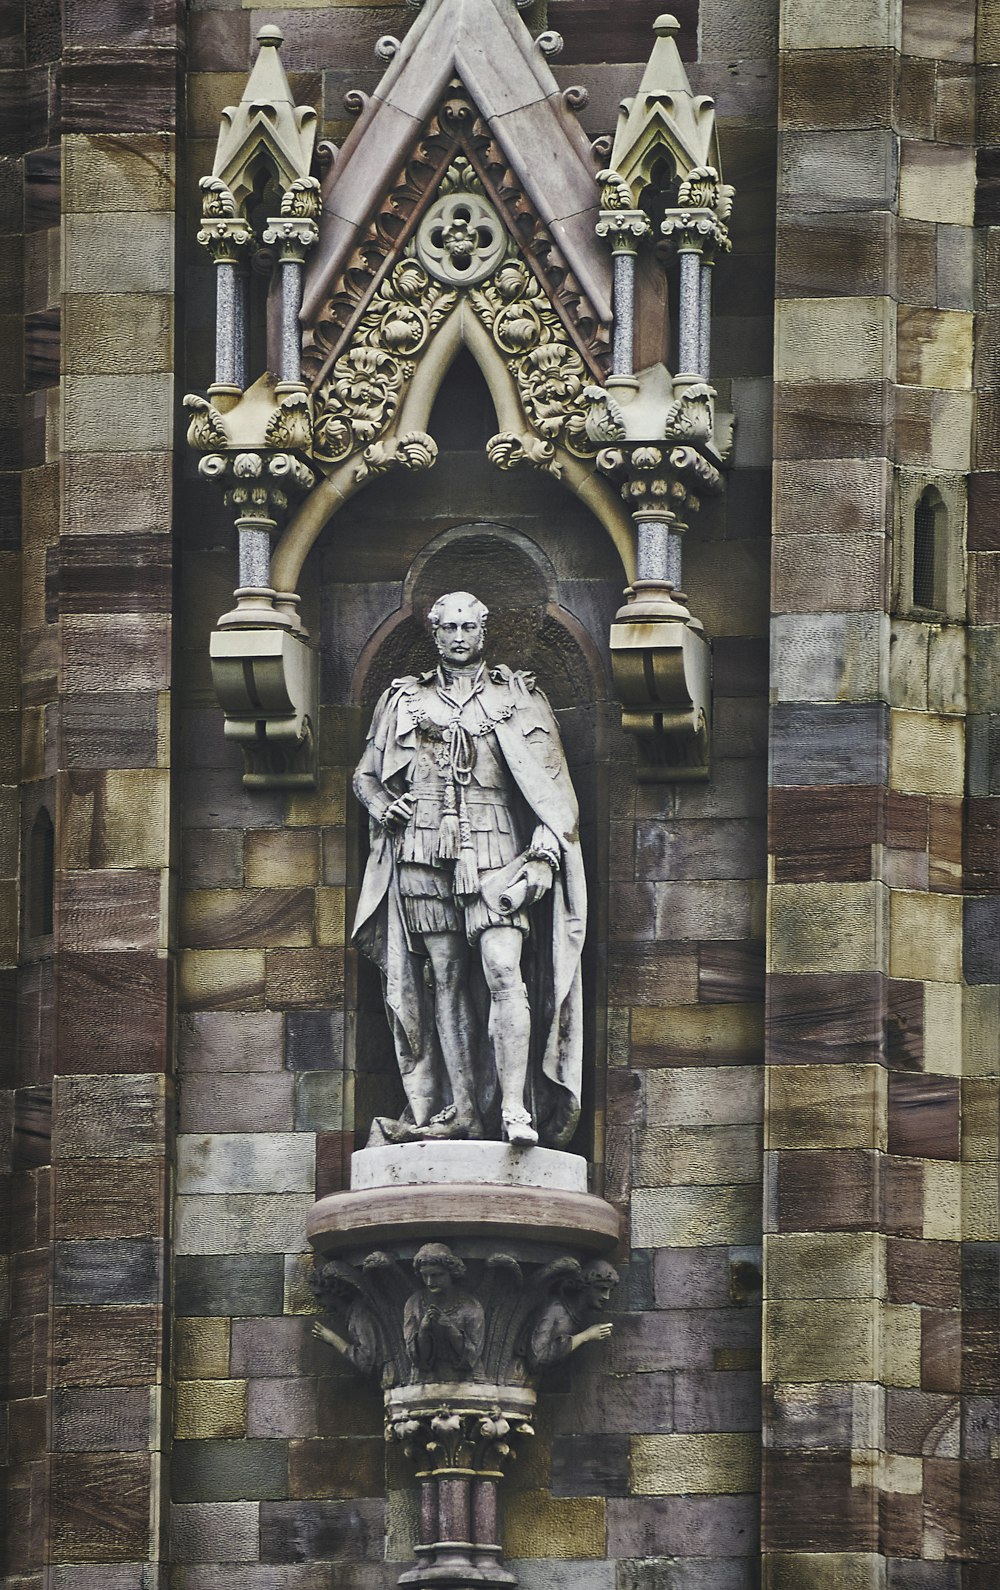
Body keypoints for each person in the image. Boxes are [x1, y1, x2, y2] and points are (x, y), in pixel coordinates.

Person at [353, 591, 586, 1148]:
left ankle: (513, 1108)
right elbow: (365, 775)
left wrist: (548, 845)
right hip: (421, 849)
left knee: (504, 969)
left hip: (496, 844)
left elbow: (553, 789)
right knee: (446, 982)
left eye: (467, 627)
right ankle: (462, 1113)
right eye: (448, 628)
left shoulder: (519, 696)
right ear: (434, 634)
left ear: (483, 632)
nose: (458, 637)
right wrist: (383, 806)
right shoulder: (403, 699)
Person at [403, 1243, 485, 1382]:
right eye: (425, 1276)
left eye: (437, 1275)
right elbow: (416, 1357)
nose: (430, 1282)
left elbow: (472, 1356)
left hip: (466, 1382)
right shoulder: (414, 1303)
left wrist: (449, 1328)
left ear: (451, 1272)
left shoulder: (470, 1306)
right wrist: (423, 1331)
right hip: (425, 1381)